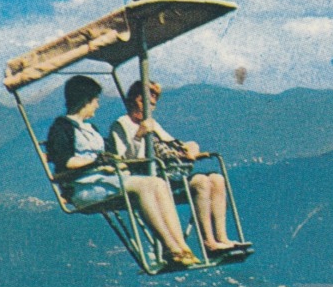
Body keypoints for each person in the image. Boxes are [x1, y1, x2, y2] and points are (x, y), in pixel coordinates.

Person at [45, 75, 198, 269]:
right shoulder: (61, 128)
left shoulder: (91, 128)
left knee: (158, 183)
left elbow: (109, 153)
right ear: (85, 100)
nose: (97, 106)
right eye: (95, 101)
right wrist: (96, 161)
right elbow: (65, 161)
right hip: (86, 186)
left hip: (106, 179)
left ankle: (181, 246)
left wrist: (111, 160)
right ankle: (170, 247)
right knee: (145, 185)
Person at [110, 80, 245, 256]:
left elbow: (172, 143)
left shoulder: (153, 124)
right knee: (201, 183)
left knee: (217, 179)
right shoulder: (121, 125)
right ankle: (209, 242)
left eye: (153, 103)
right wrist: (139, 136)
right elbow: (124, 160)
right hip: (150, 179)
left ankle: (222, 237)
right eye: (146, 101)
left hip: (170, 174)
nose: (150, 107)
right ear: (135, 99)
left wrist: (190, 148)